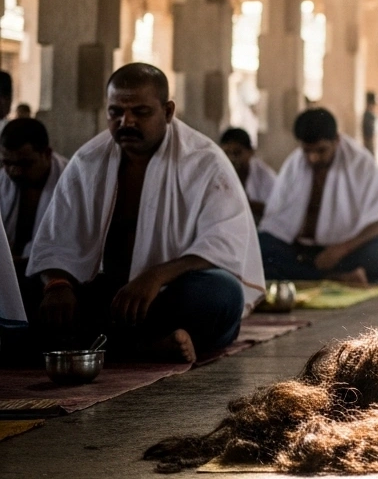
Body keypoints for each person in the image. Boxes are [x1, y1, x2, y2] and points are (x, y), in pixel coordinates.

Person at [26, 64, 263, 362]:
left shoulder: (205, 162)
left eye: (141, 112)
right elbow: (55, 240)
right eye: (116, 112)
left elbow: (224, 242)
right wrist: (58, 286)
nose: (127, 122)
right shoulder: (87, 161)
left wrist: (155, 277)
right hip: (109, 296)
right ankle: (147, 348)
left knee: (223, 294)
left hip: (168, 296)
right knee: (26, 293)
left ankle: (109, 346)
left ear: (167, 111)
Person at [258, 108, 378, 285]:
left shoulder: (362, 164)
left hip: (345, 252)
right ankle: (333, 277)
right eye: (307, 151)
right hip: (299, 252)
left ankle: (305, 275)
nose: (313, 158)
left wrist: (341, 249)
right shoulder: (294, 164)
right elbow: (274, 222)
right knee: (258, 247)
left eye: (321, 151)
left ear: (336, 140)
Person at [1, 119, 67, 268]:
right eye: (7, 163)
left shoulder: (70, 183)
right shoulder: (2, 181)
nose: (14, 171)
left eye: (24, 164)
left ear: (47, 153)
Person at [219, 127, 276, 222]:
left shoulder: (266, 176)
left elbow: (274, 209)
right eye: (226, 153)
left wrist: (245, 204)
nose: (232, 158)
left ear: (251, 152)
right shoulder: (218, 172)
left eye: (237, 153)